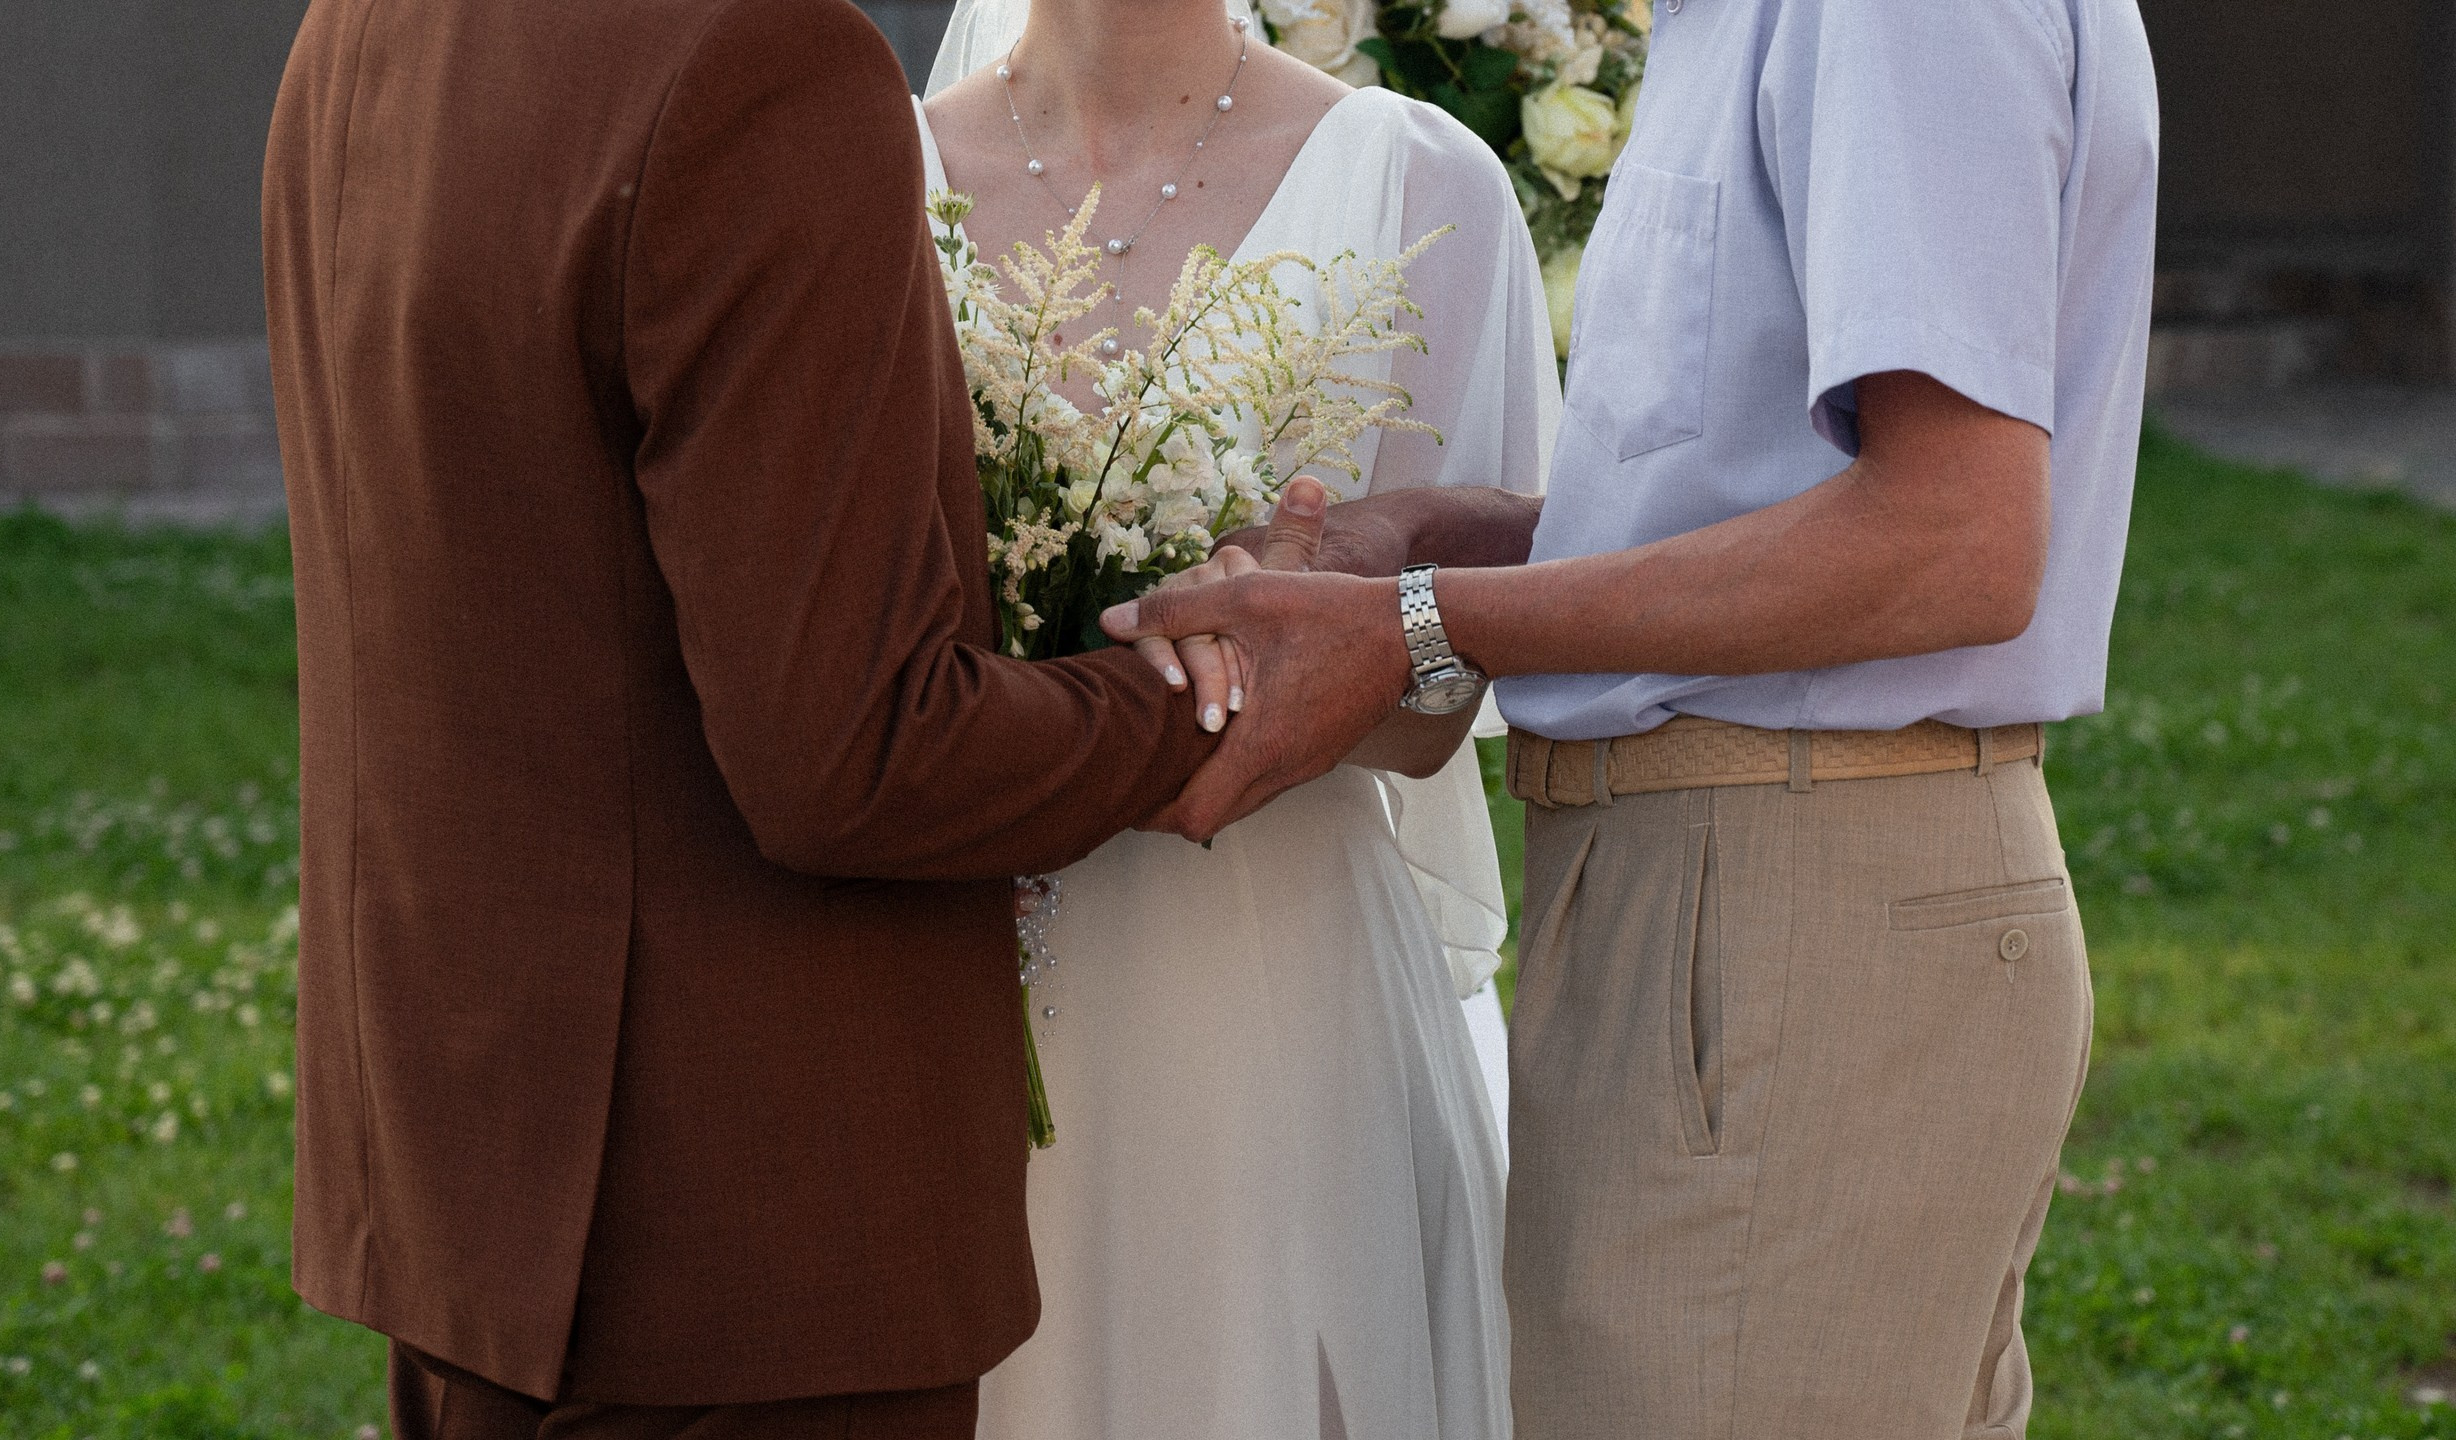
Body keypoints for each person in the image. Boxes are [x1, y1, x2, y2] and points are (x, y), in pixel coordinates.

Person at [1109, 0, 2160, 1435]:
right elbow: (1760, 495)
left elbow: (1952, 537)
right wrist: (1465, 543)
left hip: (1788, 905)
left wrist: (1422, 624)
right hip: (1753, 892)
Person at [261, 0, 1310, 1434]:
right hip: (744, 1253)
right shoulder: (757, 55)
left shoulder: (365, 25)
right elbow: (857, 757)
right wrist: (1206, 682)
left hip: (470, 1200)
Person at [916, 1, 1555, 1435]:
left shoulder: (1425, 183)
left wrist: (1315, 637)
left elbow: (1438, 707)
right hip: (933, 1011)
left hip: (1277, 1022)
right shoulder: (872, 178)